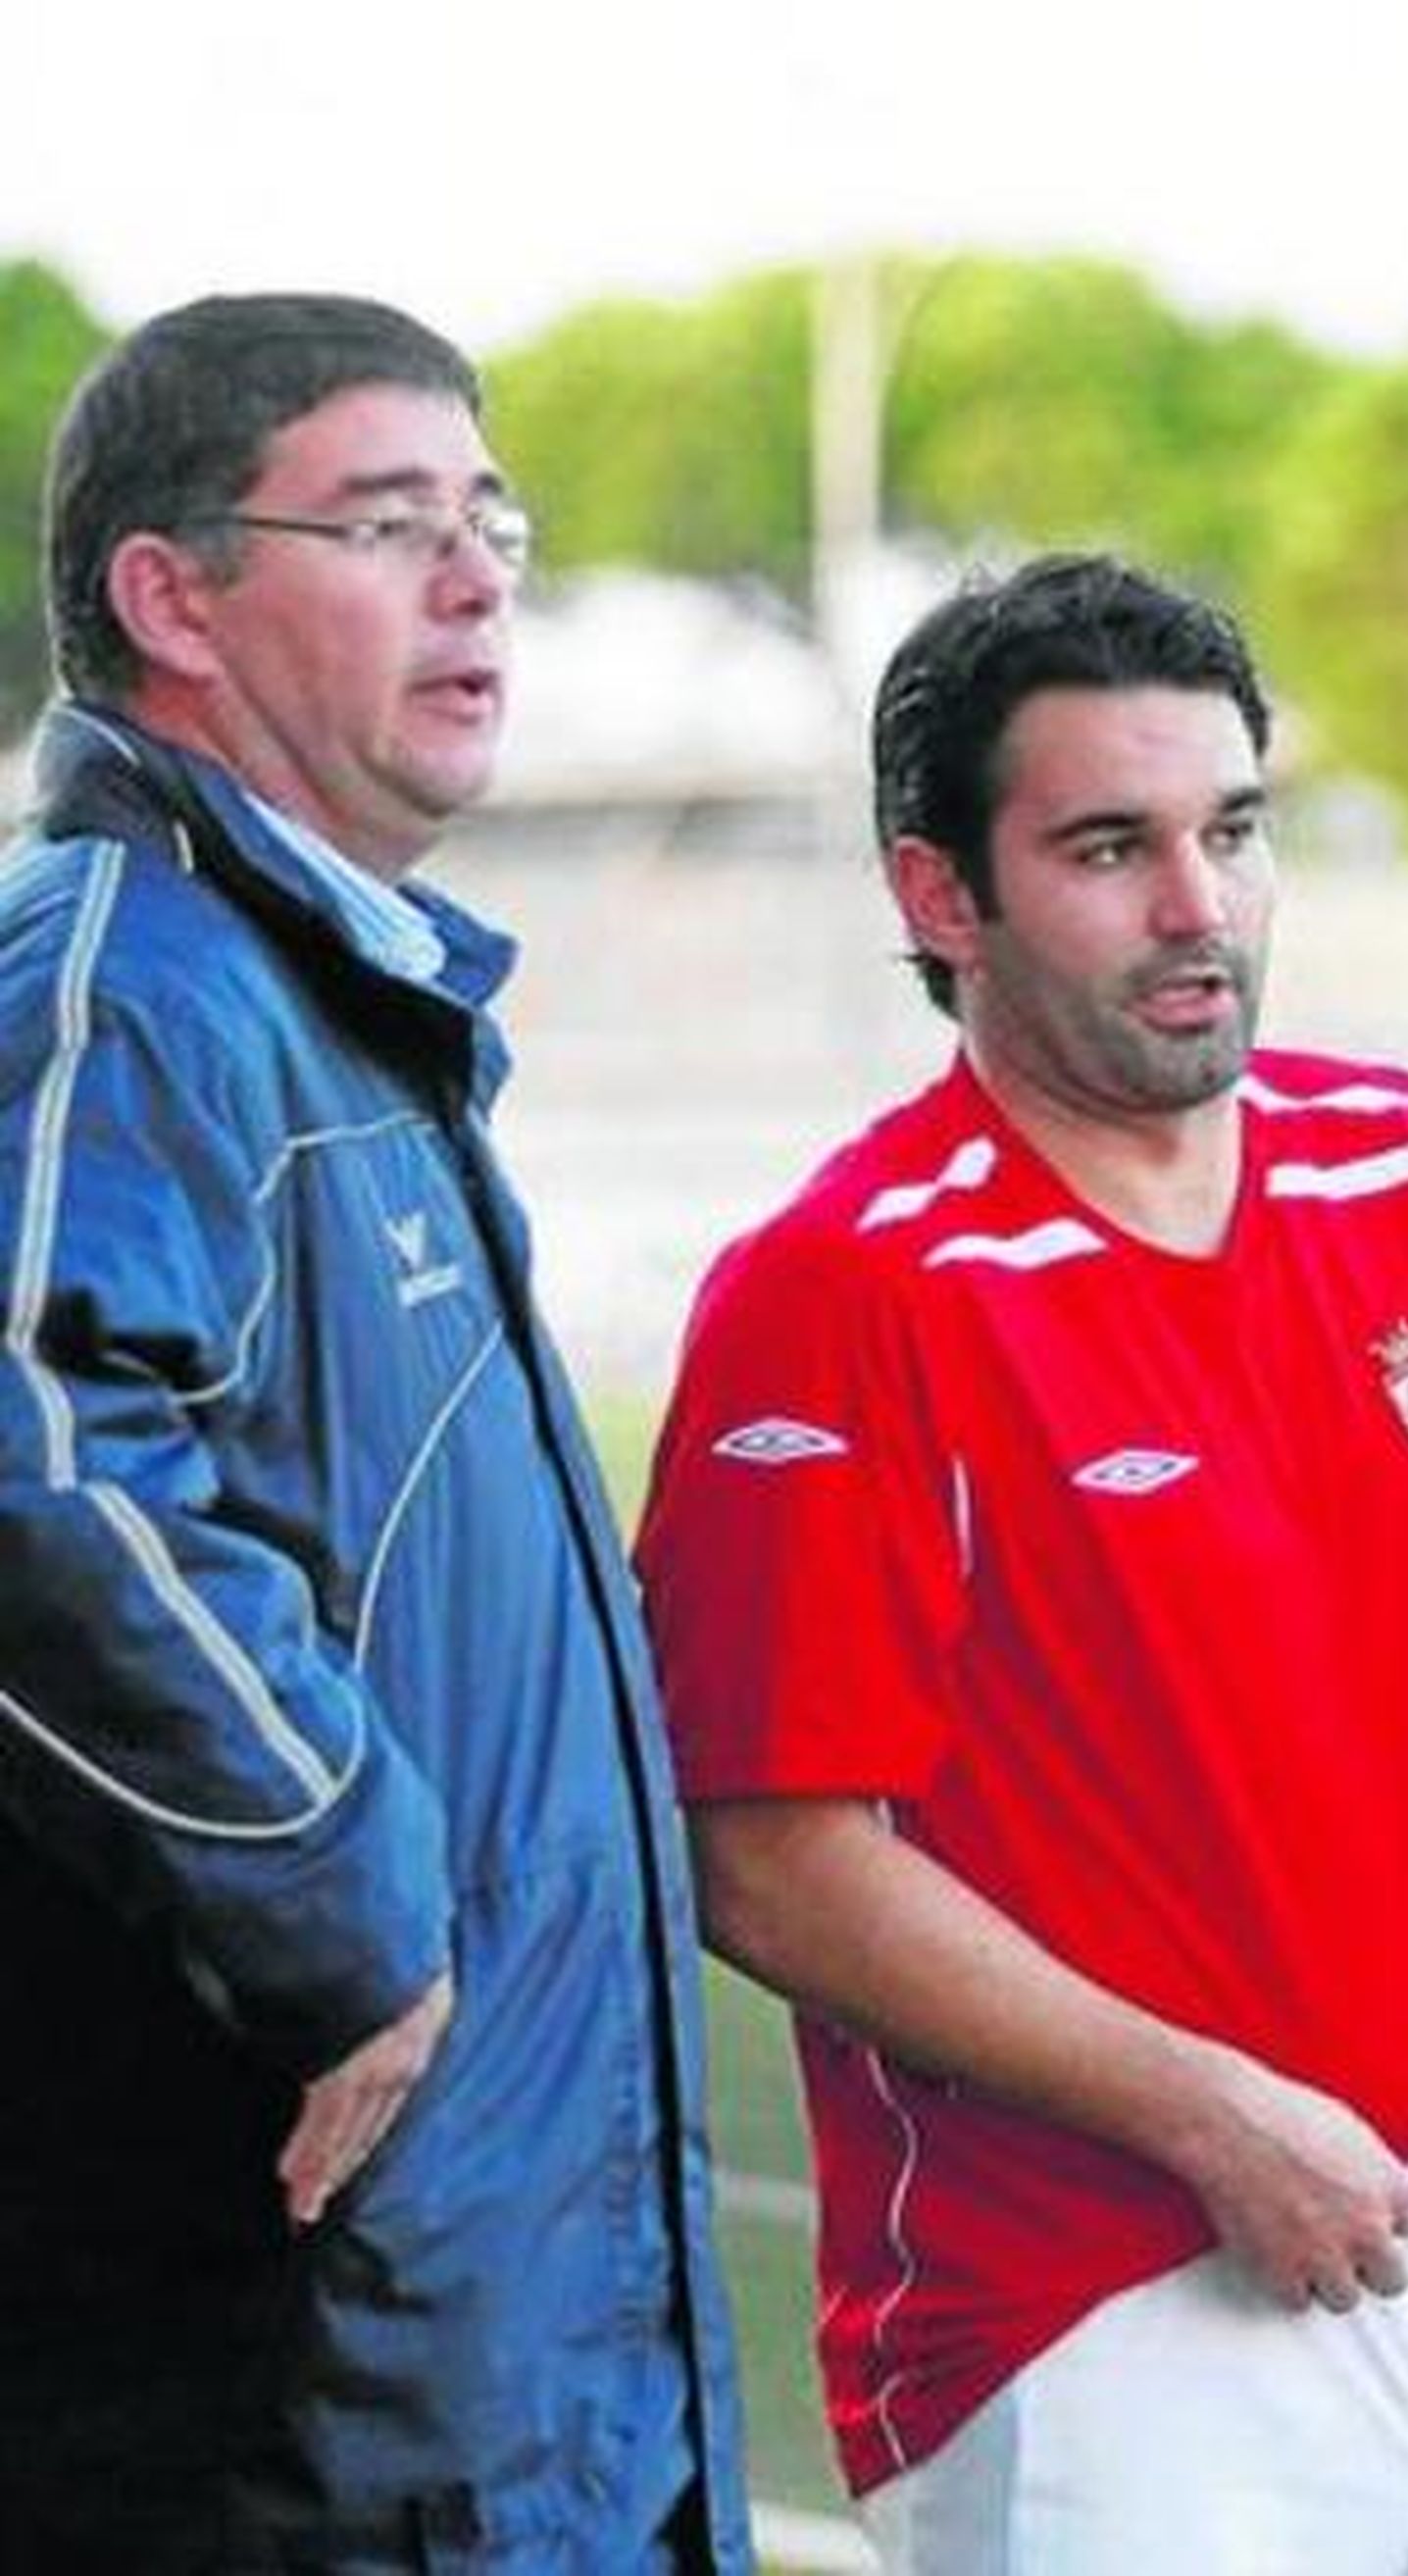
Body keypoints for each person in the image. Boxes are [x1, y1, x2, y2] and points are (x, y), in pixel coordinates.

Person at [636, 551, 1408, 2572]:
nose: (1197, 907)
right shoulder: (844, 1295)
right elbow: (769, 1855)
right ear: (936, 895)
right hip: (1078, 2333)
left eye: (1232, 828)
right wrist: (1209, 2115)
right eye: (1108, 848)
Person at [0, 292, 750, 2575]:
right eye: (392, 523)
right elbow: (36, 1451)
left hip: (504, 2351)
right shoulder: (122, 977)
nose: (477, 581)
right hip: (310, 2388)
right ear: (173, 599)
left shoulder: (327, 995)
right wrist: (343, 1911)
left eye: (490, 520)